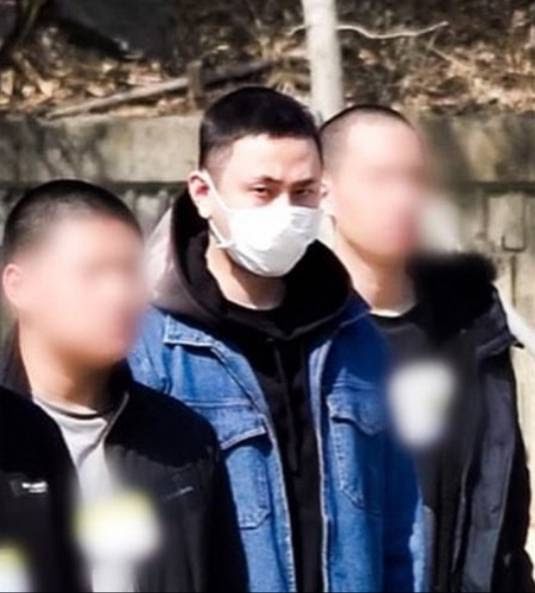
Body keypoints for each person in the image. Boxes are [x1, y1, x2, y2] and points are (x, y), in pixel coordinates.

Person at [130, 87, 420, 593]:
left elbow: (401, 527)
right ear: (203, 193)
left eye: (303, 192)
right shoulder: (151, 347)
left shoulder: (356, 337)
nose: (286, 211)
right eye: (262, 191)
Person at [321, 105, 534, 593]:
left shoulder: (472, 325)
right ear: (324, 191)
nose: (403, 198)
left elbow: (502, 500)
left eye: (414, 179)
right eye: (380, 179)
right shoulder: (301, 338)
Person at [1, 180, 245, 593]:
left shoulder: (184, 444)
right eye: (93, 273)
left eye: (131, 272)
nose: (120, 295)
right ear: (18, 286)